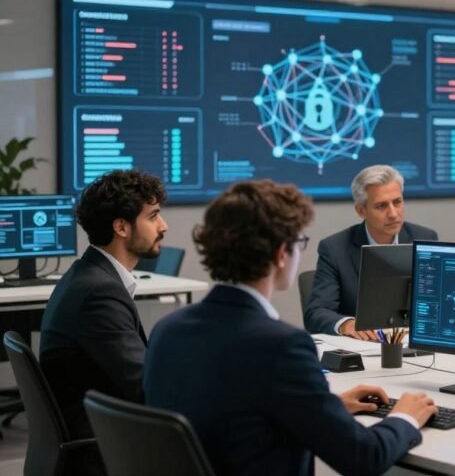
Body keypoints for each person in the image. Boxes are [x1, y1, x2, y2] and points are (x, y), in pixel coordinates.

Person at [145, 180, 436, 476]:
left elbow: (233, 409)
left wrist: (326, 406)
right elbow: (364, 458)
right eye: (300, 243)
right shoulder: (282, 346)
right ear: (281, 254)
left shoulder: (167, 329)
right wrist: (404, 418)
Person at [40, 169, 167, 473]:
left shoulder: (87, 276)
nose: (163, 226)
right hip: (102, 451)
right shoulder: (99, 293)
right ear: (121, 227)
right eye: (153, 217)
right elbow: (144, 388)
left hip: (97, 435)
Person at [304, 165, 438, 338]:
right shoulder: (335, 248)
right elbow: (316, 312)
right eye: (381, 206)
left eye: (397, 202)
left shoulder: (424, 238)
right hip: (363, 348)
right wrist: (347, 324)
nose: (393, 214)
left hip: (412, 344)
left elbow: (437, 301)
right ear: (361, 210)